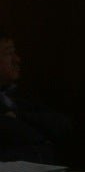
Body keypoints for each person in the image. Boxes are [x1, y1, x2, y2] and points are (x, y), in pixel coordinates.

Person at [0, 30, 73, 163]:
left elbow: (63, 125)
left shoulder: (18, 95)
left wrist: (19, 116)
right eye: (9, 53)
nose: (17, 59)